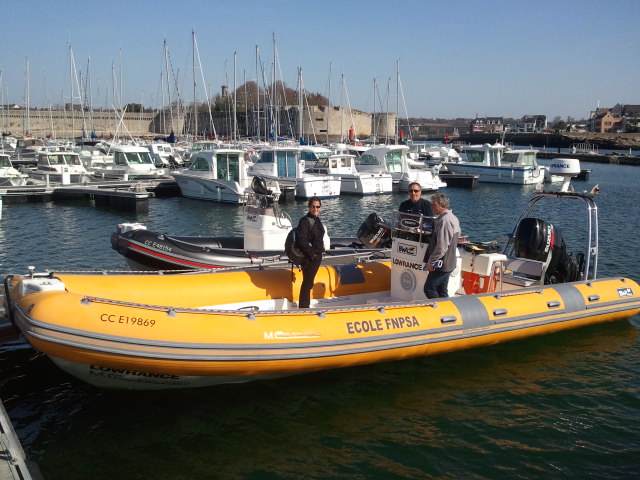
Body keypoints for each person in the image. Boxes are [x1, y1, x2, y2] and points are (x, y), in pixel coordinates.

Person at [423, 193, 461, 299]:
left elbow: (442, 247)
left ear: (442, 205)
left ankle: (440, 312)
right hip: (448, 262)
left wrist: (431, 262)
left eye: (434, 204)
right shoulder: (452, 218)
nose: (432, 207)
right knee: (442, 290)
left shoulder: (444, 220)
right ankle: (448, 311)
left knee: (429, 289)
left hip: (441, 264)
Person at [296, 196, 326, 308]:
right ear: (309, 207)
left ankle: (305, 305)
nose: (315, 209)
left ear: (320, 207)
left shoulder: (317, 220)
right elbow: (301, 240)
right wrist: (312, 254)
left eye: (318, 207)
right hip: (310, 258)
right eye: (313, 207)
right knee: (307, 283)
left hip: (316, 256)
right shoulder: (305, 221)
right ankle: (304, 307)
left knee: (309, 282)